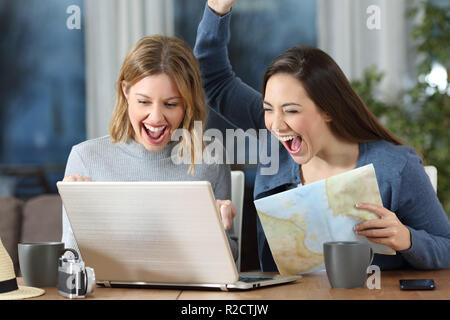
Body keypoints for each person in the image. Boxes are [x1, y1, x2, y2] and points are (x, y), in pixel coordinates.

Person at [194, 0, 450, 271]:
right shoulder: (275, 140)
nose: (276, 124)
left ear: (328, 110)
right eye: (269, 109)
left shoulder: (395, 168)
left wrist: (408, 239)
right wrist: (216, 9)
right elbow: (214, 80)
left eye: (291, 110)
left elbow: (446, 248)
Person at [62, 34, 238, 261]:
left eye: (171, 104)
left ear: (188, 102)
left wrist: (214, 232)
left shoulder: (209, 158)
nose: (156, 118)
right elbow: (70, 262)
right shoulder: (85, 158)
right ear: (126, 92)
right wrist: (81, 213)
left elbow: (232, 260)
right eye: (144, 102)